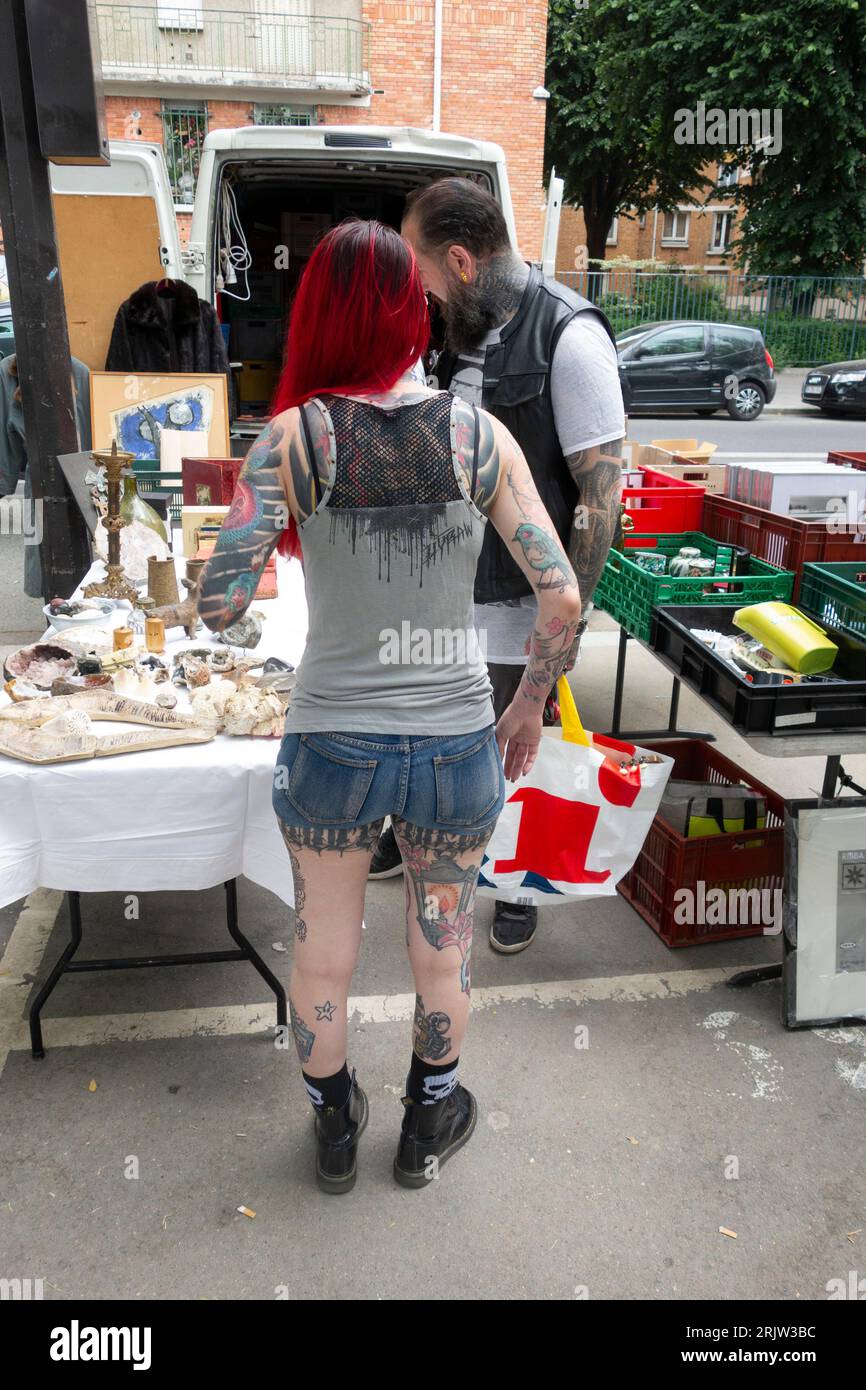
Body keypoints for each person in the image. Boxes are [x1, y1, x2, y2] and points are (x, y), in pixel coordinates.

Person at [197, 219, 583, 1194]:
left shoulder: (291, 439)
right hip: (454, 742)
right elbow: (562, 595)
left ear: (317, 314)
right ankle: (426, 1119)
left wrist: (242, 502)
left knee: (321, 951)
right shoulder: (474, 435)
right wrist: (528, 702)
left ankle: (334, 1128)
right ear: (412, 312)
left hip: (328, 739)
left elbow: (216, 599)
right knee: (441, 944)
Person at [368, 179, 625, 958]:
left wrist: (555, 654)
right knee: (435, 741)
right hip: (443, 592)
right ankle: (421, 842)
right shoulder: (458, 329)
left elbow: (600, 502)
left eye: (424, 275)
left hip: (520, 605)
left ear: (460, 260)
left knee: (515, 750)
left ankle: (516, 882)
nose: (421, 294)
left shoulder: (568, 338)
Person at [0, 353, 92, 599]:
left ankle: (75, 597)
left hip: (75, 473)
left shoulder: (80, 371)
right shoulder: (6, 372)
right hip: (46, 473)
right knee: (39, 542)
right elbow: (4, 432)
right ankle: (50, 598)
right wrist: (4, 480)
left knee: (75, 546)